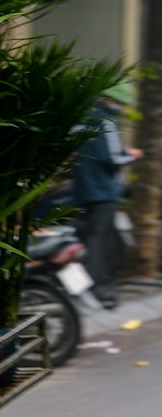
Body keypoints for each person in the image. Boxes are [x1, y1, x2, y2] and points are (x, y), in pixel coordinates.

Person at [71, 82, 142, 309]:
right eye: (120, 103)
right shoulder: (106, 121)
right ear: (113, 100)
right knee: (101, 243)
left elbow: (72, 152)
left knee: (88, 239)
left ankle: (82, 289)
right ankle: (97, 291)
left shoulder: (82, 120)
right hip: (103, 192)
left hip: (83, 190)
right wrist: (131, 155)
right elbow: (112, 158)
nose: (120, 107)